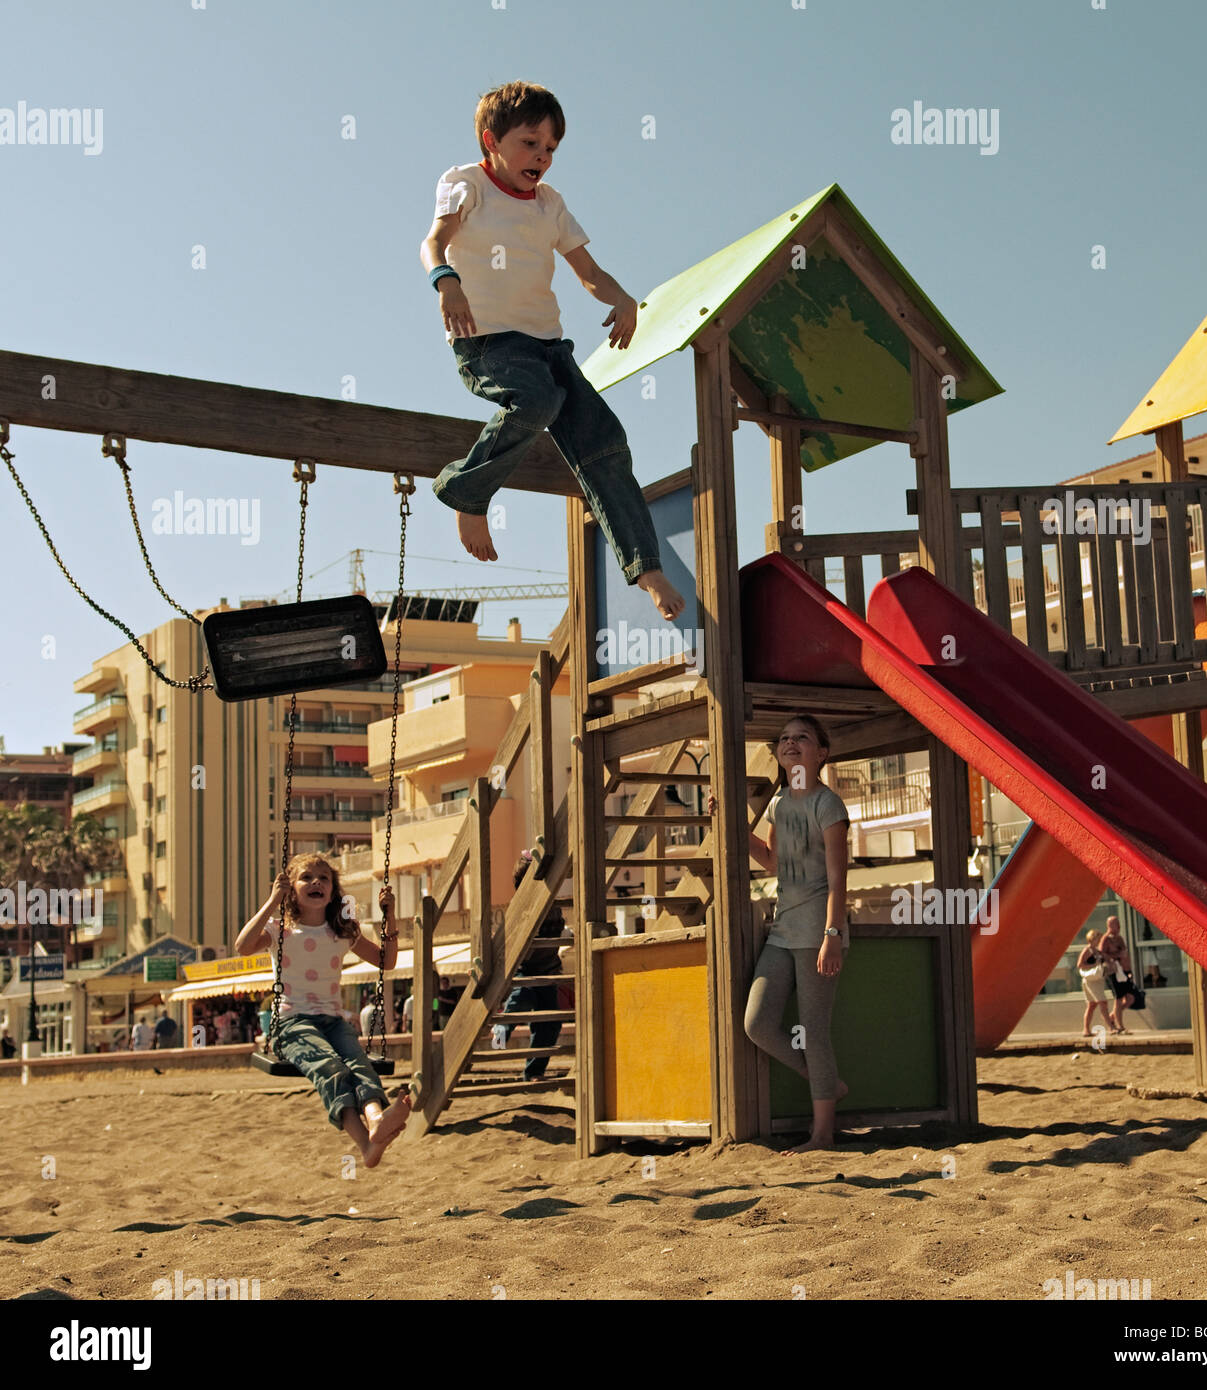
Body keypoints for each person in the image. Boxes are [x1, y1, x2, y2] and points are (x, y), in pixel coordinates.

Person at [419, 81, 685, 623]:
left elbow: (588, 273)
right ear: (492, 141)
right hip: (487, 339)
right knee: (537, 401)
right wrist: (447, 282)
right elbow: (433, 241)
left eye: (550, 149)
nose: (541, 157)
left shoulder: (550, 205)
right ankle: (466, 492)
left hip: (547, 346)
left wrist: (622, 298)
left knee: (605, 440)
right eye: (530, 143)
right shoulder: (465, 183)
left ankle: (645, 563)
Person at [711, 715, 850, 1154]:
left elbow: (838, 879)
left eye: (802, 738)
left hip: (816, 932)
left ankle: (823, 1134)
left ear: (820, 753)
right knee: (756, 1023)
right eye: (784, 738)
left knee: (814, 1031)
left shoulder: (828, 805)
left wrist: (833, 934)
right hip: (782, 929)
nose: (790, 743)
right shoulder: (778, 804)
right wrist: (732, 822)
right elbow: (772, 861)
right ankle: (826, 1082)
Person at [235, 853, 411, 1168]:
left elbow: (386, 961)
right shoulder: (280, 930)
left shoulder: (342, 931)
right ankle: (365, 1144)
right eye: (307, 877)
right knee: (332, 1069)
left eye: (324, 878)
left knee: (360, 1066)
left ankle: (375, 1122)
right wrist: (273, 899)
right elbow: (243, 946)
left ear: (332, 890)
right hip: (290, 1024)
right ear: (291, 888)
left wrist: (391, 914)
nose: (316, 882)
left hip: (332, 1022)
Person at [493, 853, 565, 1081]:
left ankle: (534, 1072)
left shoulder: (552, 902)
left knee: (550, 1023)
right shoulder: (522, 905)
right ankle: (498, 1036)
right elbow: (507, 939)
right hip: (527, 968)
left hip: (549, 970)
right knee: (518, 1005)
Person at [1100, 915, 1136, 1033]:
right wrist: (1115, 956)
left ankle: (1113, 1015)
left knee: (1130, 998)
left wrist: (1129, 970)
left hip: (1123, 971)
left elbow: (1125, 953)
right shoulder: (1106, 939)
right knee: (1118, 998)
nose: (1117, 927)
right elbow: (1102, 955)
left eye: (1117, 924)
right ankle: (1120, 1025)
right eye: (1114, 924)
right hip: (1112, 971)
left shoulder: (1119, 938)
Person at [1076, 930, 1114, 1040]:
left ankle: (1086, 1030)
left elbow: (1104, 959)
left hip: (1097, 979)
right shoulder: (1087, 950)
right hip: (1091, 980)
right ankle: (1110, 1028)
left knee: (1091, 1005)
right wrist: (1093, 964)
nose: (1099, 940)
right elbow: (1080, 965)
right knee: (1102, 1002)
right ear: (1092, 938)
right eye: (1098, 938)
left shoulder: (1097, 951)